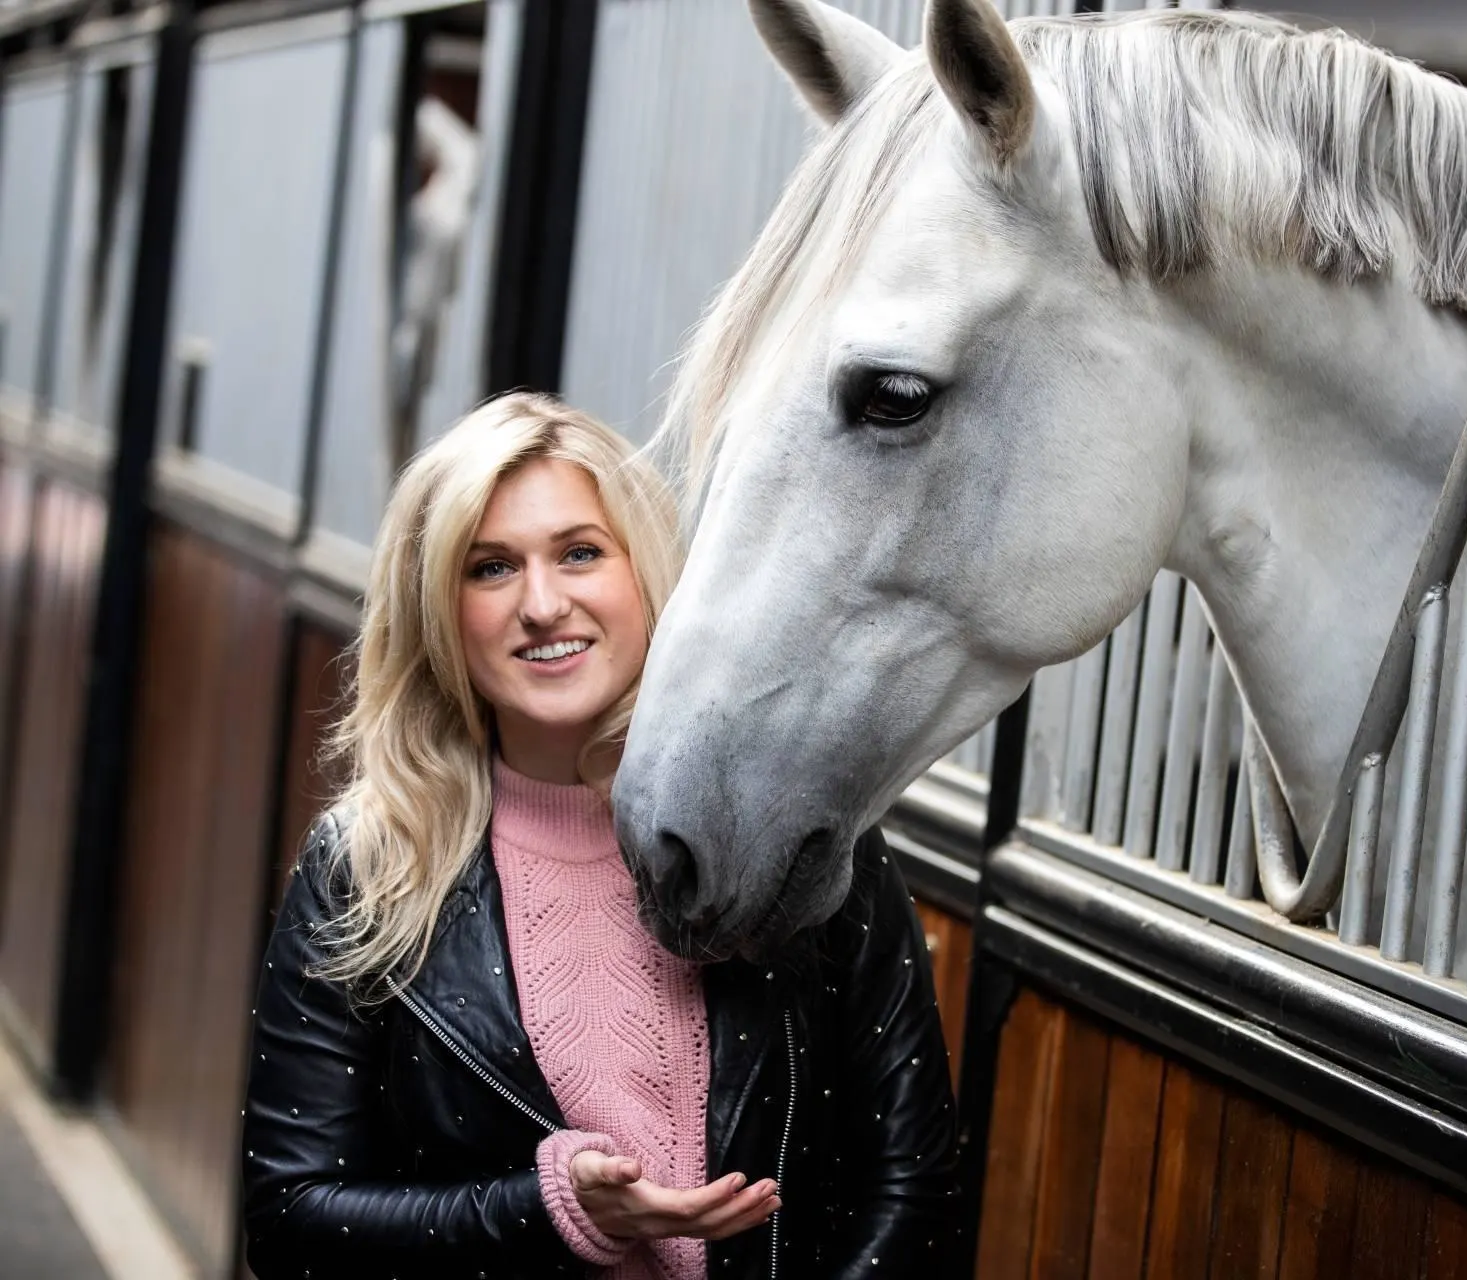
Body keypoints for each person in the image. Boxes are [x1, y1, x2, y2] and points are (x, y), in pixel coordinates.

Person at [242, 392, 959, 1279]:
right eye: (490, 567)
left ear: (645, 574)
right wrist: (546, 1209)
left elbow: (913, 1187)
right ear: (438, 609)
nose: (543, 604)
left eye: (580, 553)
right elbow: (290, 1219)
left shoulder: (796, 831)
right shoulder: (367, 863)